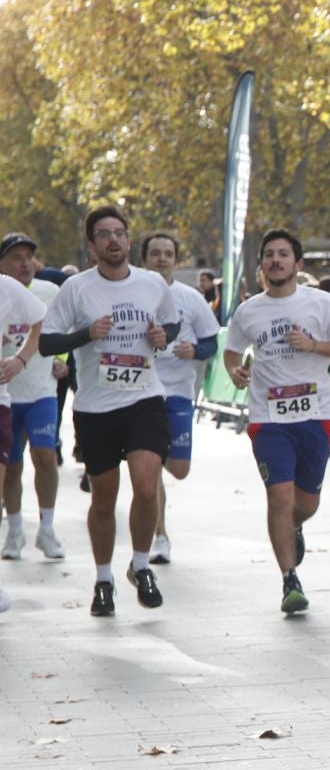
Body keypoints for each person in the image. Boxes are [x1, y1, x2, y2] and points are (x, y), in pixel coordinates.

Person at [39, 206, 178, 616]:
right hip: (96, 408)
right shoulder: (76, 289)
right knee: (104, 498)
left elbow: (171, 326)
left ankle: (139, 565)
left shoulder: (152, 283)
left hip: (145, 400)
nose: (113, 240)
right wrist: (86, 334)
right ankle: (103, 579)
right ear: (92, 244)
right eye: (104, 234)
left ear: (129, 240)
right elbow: (47, 343)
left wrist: (160, 335)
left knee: (147, 486)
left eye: (119, 232)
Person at [223, 230, 330, 614]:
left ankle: (295, 526)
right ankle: (290, 581)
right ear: (262, 265)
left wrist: (314, 346)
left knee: (306, 503)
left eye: (284, 254)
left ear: (298, 265)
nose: (276, 260)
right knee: (279, 497)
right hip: (268, 418)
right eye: (269, 254)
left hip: (314, 414)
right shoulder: (249, 311)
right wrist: (235, 371)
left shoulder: (322, 303)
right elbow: (232, 352)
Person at [138, 233, 221, 566]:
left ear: (176, 259)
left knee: (179, 469)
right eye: (155, 253)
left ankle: (159, 530)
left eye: (168, 254)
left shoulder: (190, 298)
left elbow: (212, 342)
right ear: (144, 259)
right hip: (143, 393)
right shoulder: (132, 293)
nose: (162, 259)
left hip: (179, 392)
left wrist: (195, 350)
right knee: (150, 465)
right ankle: (160, 536)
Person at [0, 235, 65, 564]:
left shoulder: (48, 292)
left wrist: (61, 356)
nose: (25, 263)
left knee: (45, 457)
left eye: (29, 257)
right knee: (11, 469)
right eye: (16, 257)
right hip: (8, 398)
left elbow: (56, 329)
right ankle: (14, 531)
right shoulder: (3, 292)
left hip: (41, 392)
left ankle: (47, 527)